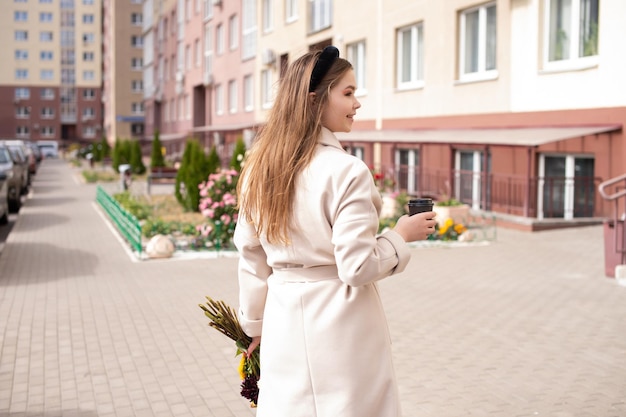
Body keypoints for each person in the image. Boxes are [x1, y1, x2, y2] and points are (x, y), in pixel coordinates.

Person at [234, 46, 436, 417]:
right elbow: (356, 267)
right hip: (341, 325)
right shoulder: (346, 171)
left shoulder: (258, 170)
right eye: (347, 92)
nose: (357, 103)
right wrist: (400, 236)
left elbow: (250, 255)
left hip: (283, 322)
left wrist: (254, 327)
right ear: (315, 100)